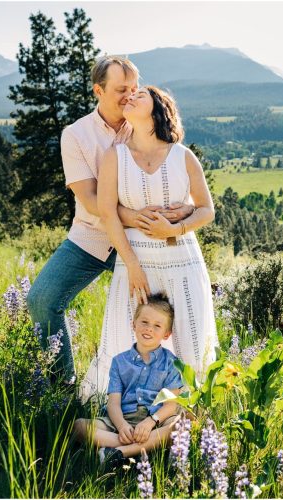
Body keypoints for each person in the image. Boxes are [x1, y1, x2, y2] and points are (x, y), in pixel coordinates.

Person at [26, 56, 193, 384]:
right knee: (42, 300)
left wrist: (181, 214)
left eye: (134, 88)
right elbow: (88, 199)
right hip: (90, 237)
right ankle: (63, 388)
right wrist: (134, 216)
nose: (130, 96)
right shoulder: (75, 135)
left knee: (162, 316)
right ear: (98, 90)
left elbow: (175, 174)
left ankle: (168, 390)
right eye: (120, 90)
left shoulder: (145, 121)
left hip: (143, 242)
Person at [79, 84, 218, 400]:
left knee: (191, 341)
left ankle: (188, 419)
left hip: (183, 262)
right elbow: (108, 214)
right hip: (136, 263)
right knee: (125, 338)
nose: (130, 97)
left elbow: (206, 210)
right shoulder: (116, 157)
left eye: (140, 95)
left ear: (158, 111)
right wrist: (131, 265)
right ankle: (119, 412)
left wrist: (176, 230)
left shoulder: (183, 156)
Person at [73, 295, 184, 467]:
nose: (149, 329)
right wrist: (123, 426)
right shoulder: (119, 361)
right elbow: (113, 403)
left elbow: (170, 406)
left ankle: (118, 453)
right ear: (134, 324)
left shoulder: (172, 363)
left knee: (180, 427)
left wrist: (150, 422)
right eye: (144, 322)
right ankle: (139, 448)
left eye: (157, 326)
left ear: (166, 333)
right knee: (79, 426)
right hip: (122, 420)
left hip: (155, 421)